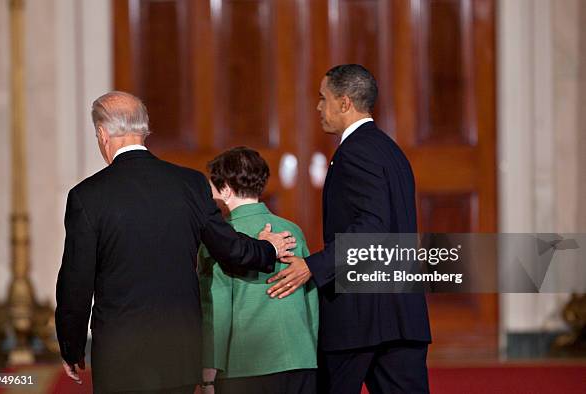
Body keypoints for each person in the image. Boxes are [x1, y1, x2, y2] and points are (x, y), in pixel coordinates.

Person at [55, 91, 296, 393]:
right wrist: (268, 248)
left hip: (120, 356)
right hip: (179, 352)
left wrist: (71, 346)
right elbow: (229, 248)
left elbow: (76, 283)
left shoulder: (87, 196)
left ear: (102, 134)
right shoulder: (190, 184)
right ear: (145, 131)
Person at [267, 65, 432, 393]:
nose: (318, 107)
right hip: (400, 316)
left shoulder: (356, 152)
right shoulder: (390, 150)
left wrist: (311, 267)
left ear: (344, 103)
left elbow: (372, 227)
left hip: (361, 317)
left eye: (322, 98)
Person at [198, 147, 318, 394]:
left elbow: (216, 308)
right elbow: (311, 301)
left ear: (226, 189)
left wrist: (208, 375)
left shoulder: (220, 239)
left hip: (244, 365)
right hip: (300, 359)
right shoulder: (293, 231)